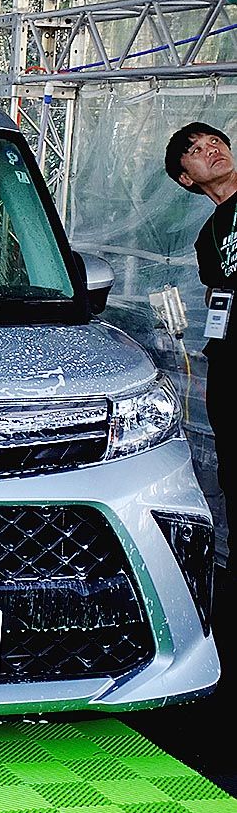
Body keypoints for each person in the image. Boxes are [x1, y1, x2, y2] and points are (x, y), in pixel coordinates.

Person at [165, 121, 237, 612]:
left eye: (215, 140)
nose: (210, 148)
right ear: (186, 179)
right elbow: (218, 296)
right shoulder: (208, 235)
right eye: (195, 149)